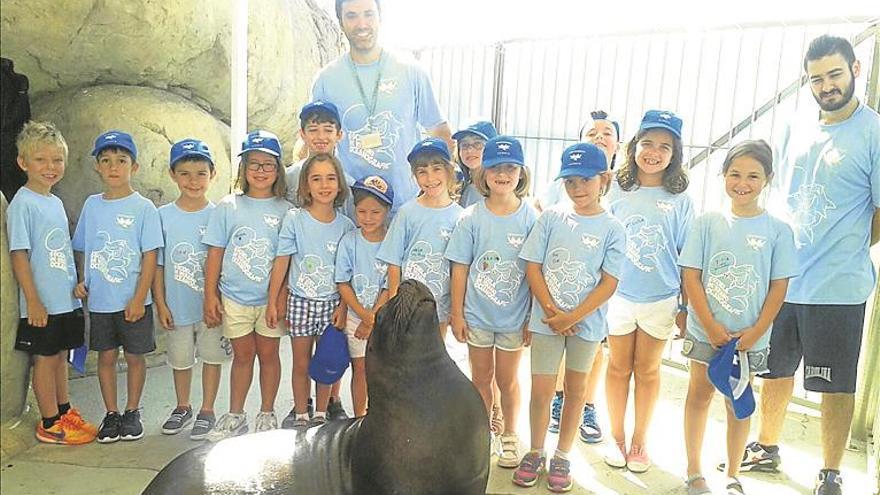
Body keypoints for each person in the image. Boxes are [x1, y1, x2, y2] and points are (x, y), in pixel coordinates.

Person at [730, 35, 880, 495]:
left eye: (834, 74)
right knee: (775, 371)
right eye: (817, 78)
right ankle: (766, 447)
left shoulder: (874, 132)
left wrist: (848, 245)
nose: (826, 85)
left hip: (839, 287)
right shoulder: (797, 124)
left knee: (833, 385)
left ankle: (830, 471)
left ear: (855, 69)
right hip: (783, 281)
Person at [680, 140, 798, 495]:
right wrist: (712, 326)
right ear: (723, 177)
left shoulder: (779, 231)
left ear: (768, 179)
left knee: (738, 404)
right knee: (699, 396)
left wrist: (755, 331)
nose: (742, 183)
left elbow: (779, 287)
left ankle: (733, 474)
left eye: (752, 176)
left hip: (750, 339)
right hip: (706, 333)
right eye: (734, 174)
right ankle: (693, 471)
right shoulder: (707, 223)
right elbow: (691, 276)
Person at [513, 143, 625, 492]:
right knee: (542, 390)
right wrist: (551, 311)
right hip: (546, 324)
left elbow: (609, 283)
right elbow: (532, 265)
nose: (578, 189)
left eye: (586, 180)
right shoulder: (551, 217)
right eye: (571, 182)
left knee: (576, 391)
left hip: (587, 326)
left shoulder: (613, 228)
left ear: (604, 179)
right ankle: (535, 450)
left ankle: (562, 454)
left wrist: (573, 316)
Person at [603, 110, 692, 472]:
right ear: (634, 145)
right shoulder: (615, 187)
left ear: (675, 154)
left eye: (664, 147)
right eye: (647, 143)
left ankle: (640, 441)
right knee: (618, 367)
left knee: (648, 370)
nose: (654, 152)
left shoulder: (681, 198)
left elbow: (687, 254)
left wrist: (686, 306)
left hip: (661, 298)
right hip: (618, 296)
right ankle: (616, 437)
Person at [446, 136, 538, 468]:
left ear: (521, 172)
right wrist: (457, 313)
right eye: (496, 168)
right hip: (478, 317)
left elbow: (535, 272)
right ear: (483, 173)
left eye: (510, 167)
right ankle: (483, 433)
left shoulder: (531, 217)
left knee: (508, 381)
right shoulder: (470, 218)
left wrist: (532, 316)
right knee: (480, 378)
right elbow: (460, 268)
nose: (503, 174)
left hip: (515, 319)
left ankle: (511, 435)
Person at [312, 0, 452, 215]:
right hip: (353, 209)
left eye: (368, 14)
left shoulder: (411, 71)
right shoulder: (326, 79)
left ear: (380, 17)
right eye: (351, 16)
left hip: (407, 206)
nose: (361, 24)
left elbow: (439, 131)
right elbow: (317, 145)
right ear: (340, 22)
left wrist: (437, 193)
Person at [8, 121, 97, 445]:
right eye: (41, 160)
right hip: (41, 303)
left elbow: (58, 250)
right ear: (23, 163)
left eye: (56, 160)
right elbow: (20, 254)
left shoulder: (54, 202)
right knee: (45, 360)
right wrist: (32, 300)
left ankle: (64, 411)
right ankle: (49, 422)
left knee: (61, 356)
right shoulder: (23, 204)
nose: (50, 167)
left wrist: (75, 286)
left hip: (65, 300)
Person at [72, 130, 163, 443]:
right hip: (100, 302)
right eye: (106, 160)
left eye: (121, 160)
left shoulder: (144, 208)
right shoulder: (91, 206)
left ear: (133, 167)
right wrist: (83, 281)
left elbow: (150, 256)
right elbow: (85, 248)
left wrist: (139, 297)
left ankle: (132, 411)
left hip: (134, 302)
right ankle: (111, 413)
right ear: (97, 166)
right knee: (106, 358)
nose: (114, 166)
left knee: (136, 357)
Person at [203, 130, 291, 441]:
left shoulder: (286, 210)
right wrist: (209, 295)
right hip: (234, 298)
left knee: (269, 355)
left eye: (268, 164)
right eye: (254, 164)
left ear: (278, 169)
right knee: (242, 356)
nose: (261, 171)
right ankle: (235, 414)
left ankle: (267, 413)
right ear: (243, 169)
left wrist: (279, 298)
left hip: (269, 301)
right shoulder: (228, 206)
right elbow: (215, 252)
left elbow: (287, 259)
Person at [541, 110, 621, 444]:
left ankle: (587, 404)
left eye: (607, 132)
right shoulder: (560, 189)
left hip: (603, 289)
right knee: (560, 350)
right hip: (560, 292)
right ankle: (560, 401)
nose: (600, 136)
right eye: (592, 132)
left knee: (596, 348)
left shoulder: (624, 188)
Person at [268, 153, 355, 428]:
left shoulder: (346, 226)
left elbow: (348, 275)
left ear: (340, 185)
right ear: (306, 185)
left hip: (331, 303)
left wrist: (343, 307)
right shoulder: (295, 219)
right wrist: (273, 301)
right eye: (316, 179)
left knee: (327, 361)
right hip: (300, 301)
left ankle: (321, 413)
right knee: (301, 363)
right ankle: (301, 413)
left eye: (330, 178)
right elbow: (282, 261)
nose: (324, 185)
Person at [153, 139, 231, 440]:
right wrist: (160, 303)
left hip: (210, 306)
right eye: (185, 173)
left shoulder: (220, 214)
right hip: (176, 304)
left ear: (213, 174)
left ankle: (207, 409)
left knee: (212, 356)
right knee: (180, 358)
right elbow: (157, 265)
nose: (193, 180)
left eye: (201, 173)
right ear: (173, 175)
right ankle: (182, 405)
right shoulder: (162, 216)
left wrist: (221, 299)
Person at [284, 100, 353, 420]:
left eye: (328, 129)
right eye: (313, 129)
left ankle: (331, 402)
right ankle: (302, 407)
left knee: (331, 352)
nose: (321, 136)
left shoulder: (348, 181)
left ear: (339, 134)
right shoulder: (290, 177)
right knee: (300, 357)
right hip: (301, 284)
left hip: (332, 290)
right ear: (303, 134)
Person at [377, 138, 463, 341]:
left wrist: (456, 310)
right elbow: (394, 262)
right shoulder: (407, 212)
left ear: (449, 170)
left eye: (437, 168)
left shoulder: (460, 217)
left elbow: (459, 268)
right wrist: (394, 304)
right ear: (415, 176)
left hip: (439, 306)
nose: (430, 177)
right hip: (407, 306)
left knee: (433, 359)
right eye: (422, 171)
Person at [334, 175, 394, 417]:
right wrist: (363, 315)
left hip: (384, 319)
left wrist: (373, 319)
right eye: (362, 211)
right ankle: (360, 418)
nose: (368, 218)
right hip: (355, 317)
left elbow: (391, 285)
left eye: (375, 212)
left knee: (382, 369)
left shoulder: (393, 240)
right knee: (360, 368)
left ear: (387, 210)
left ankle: (382, 417)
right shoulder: (349, 242)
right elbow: (342, 282)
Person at [453, 120, 498, 208]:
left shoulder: (498, 187)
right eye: (464, 145)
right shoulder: (459, 184)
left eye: (478, 144)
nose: (469, 150)